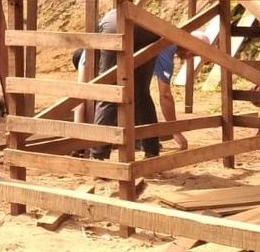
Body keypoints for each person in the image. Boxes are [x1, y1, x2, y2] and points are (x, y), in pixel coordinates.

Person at [90, 8, 163, 160]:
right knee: (142, 93)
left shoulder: (104, 25)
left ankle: (98, 154)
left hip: (118, 26)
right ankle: (151, 150)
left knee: (108, 93)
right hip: (146, 27)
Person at [152, 28, 218, 150]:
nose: (189, 56)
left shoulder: (169, 43)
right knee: (139, 94)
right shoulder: (167, 48)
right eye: (193, 54)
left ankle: (145, 139)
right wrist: (175, 131)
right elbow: (165, 95)